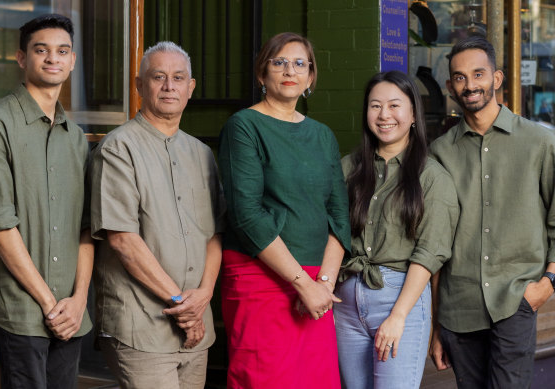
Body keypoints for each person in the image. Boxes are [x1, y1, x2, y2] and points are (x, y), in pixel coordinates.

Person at [218, 32, 351, 389]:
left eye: (299, 63)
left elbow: (340, 215)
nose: (289, 70)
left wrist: (322, 284)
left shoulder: (322, 135)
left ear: (310, 77)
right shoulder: (243, 126)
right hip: (262, 277)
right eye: (279, 62)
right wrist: (302, 284)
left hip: (317, 283)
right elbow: (246, 215)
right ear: (262, 74)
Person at [89, 41, 225, 389]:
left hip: (197, 327)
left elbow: (214, 234)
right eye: (158, 77)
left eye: (178, 77)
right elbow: (122, 240)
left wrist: (204, 295)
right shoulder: (118, 148)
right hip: (141, 326)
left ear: (190, 88)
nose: (169, 86)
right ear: (139, 86)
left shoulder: (202, 154)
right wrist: (183, 306)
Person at [0, 14, 93, 389]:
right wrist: (47, 302)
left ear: (72, 61)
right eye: (41, 50)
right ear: (22, 58)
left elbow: (87, 227)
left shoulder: (75, 137)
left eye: (62, 51)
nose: (53, 59)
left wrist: (77, 301)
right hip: (20, 308)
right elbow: (0, 226)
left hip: (70, 310)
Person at [429, 36, 555, 389]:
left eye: (478, 74)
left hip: (516, 299)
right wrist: (436, 327)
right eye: (459, 77)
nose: (470, 85)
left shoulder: (540, 142)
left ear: (497, 79)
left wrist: (548, 284)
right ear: (450, 86)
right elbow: (436, 241)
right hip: (459, 307)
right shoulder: (440, 152)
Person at [334, 71, 459, 389]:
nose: (384, 115)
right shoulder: (348, 168)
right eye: (375, 106)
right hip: (346, 303)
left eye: (394, 105)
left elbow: (430, 253)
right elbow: (331, 232)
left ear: (414, 114)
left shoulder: (431, 177)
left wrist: (398, 315)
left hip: (399, 298)